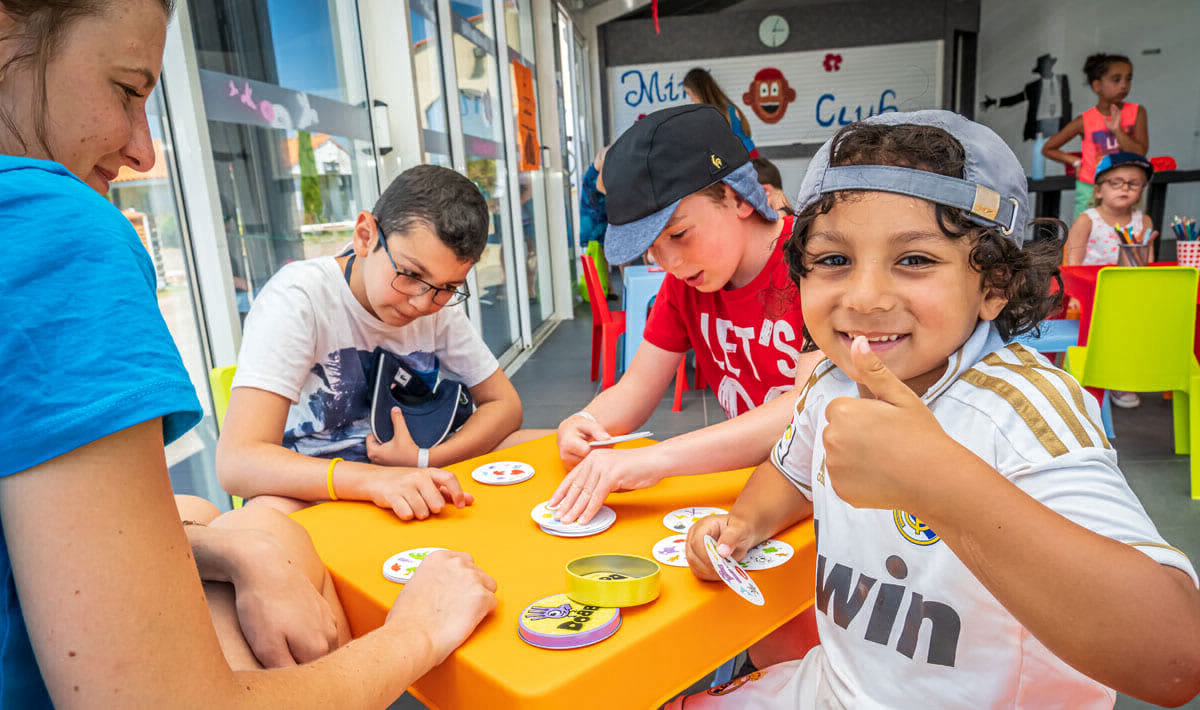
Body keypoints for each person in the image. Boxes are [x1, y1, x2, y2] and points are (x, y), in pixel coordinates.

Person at [0, 2, 497, 707]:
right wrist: (412, 636)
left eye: (443, 290)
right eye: (126, 90)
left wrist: (231, 543)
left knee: (214, 515)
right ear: (365, 236)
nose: (144, 151)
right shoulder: (58, 232)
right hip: (324, 509)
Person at [671, 110, 1200, 708]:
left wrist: (939, 485)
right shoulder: (828, 381)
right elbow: (791, 475)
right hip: (835, 687)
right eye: (834, 260)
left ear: (995, 284)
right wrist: (743, 525)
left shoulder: (1024, 406)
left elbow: (1173, 660)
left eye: (915, 260)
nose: (865, 299)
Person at [550, 104, 824, 528]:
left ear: (737, 197)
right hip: (757, 493)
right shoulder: (685, 287)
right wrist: (585, 421)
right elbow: (638, 385)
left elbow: (804, 410)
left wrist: (654, 460)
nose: (669, 262)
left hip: (835, 498)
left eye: (679, 234)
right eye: (650, 249)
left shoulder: (817, 265)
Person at [218, 164, 524, 519]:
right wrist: (373, 480)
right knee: (259, 526)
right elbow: (237, 461)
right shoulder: (299, 298)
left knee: (548, 449)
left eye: (448, 288)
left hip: (406, 475)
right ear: (365, 236)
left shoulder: (434, 304)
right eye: (410, 275)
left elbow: (505, 404)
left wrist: (423, 461)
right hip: (313, 487)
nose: (423, 303)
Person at [1063, 151, 1156, 410]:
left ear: (1142, 190)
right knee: (1103, 330)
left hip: (1129, 293)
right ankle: (1092, 377)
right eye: (1116, 182)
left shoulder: (1143, 220)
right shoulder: (1087, 219)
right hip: (1090, 294)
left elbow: (1147, 264)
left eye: (1133, 183)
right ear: (1099, 190)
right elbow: (1072, 263)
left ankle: (1120, 378)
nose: (1124, 187)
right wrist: (1075, 296)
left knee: (1135, 328)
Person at [1041, 53, 1148, 219]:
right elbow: (1048, 148)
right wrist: (1075, 162)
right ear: (1097, 86)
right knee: (1086, 234)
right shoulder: (1085, 120)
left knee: (1124, 235)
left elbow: (1140, 153)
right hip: (1091, 187)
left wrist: (1117, 130)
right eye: (1116, 79)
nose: (1124, 85)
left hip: (1126, 187)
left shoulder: (1137, 112)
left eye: (1128, 79)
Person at [683, 68, 759, 158]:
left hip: (743, 159)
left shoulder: (714, 113)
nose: (691, 99)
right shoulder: (728, 107)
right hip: (749, 155)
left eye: (689, 93)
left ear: (698, 91)